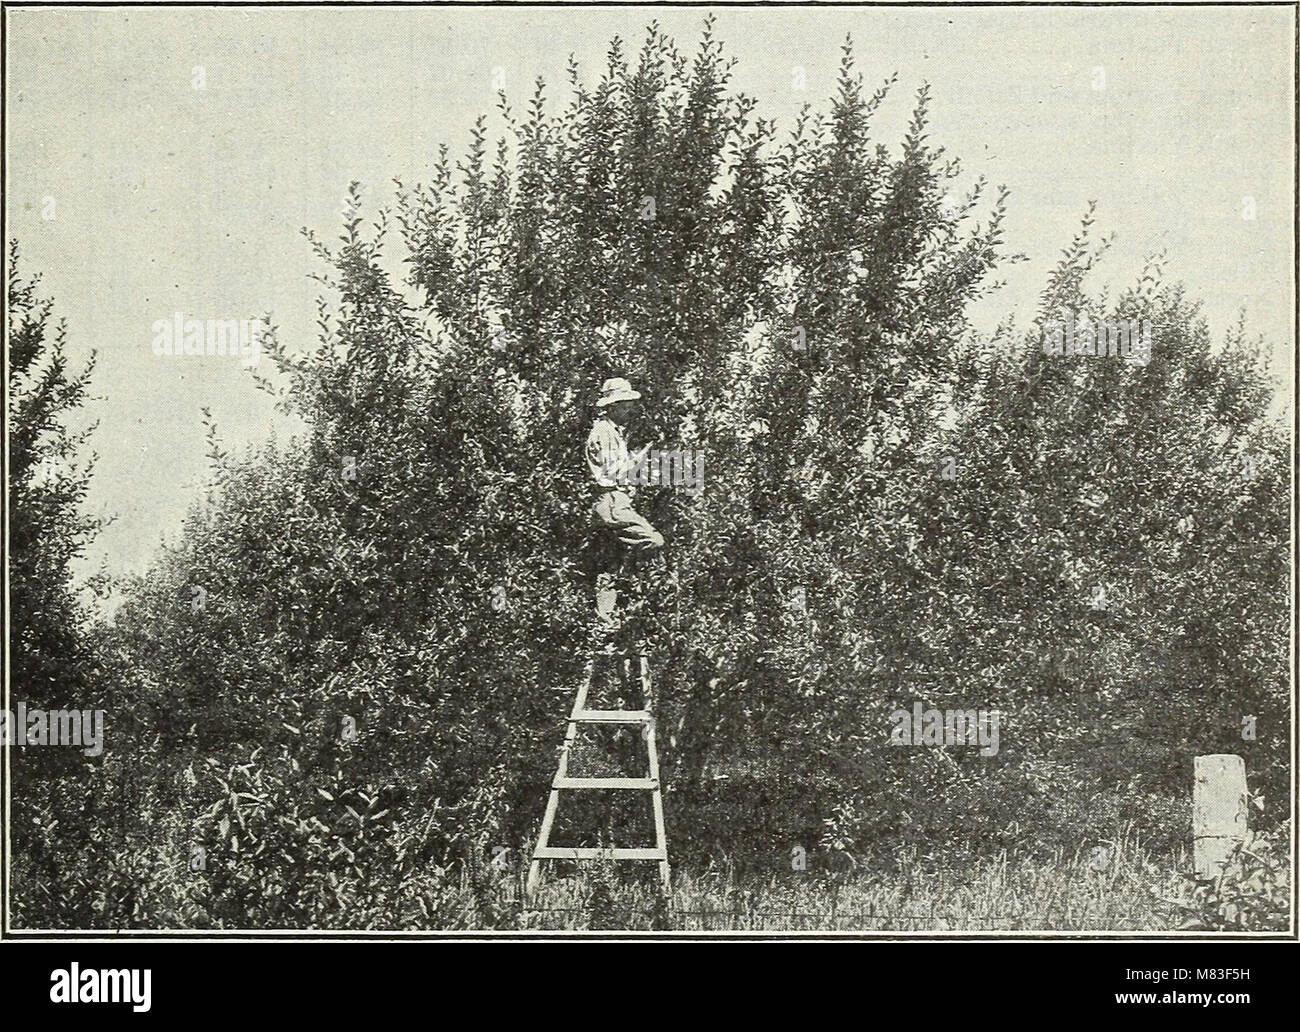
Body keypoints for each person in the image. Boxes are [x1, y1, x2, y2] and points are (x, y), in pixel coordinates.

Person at [586, 377, 663, 627]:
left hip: (615, 500)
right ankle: (632, 590)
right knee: (652, 539)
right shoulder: (605, 432)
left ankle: (605, 619)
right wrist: (644, 459)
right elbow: (617, 472)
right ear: (613, 405)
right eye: (624, 404)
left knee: (611, 563)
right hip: (612, 500)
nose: (629, 409)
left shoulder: (613, 432)